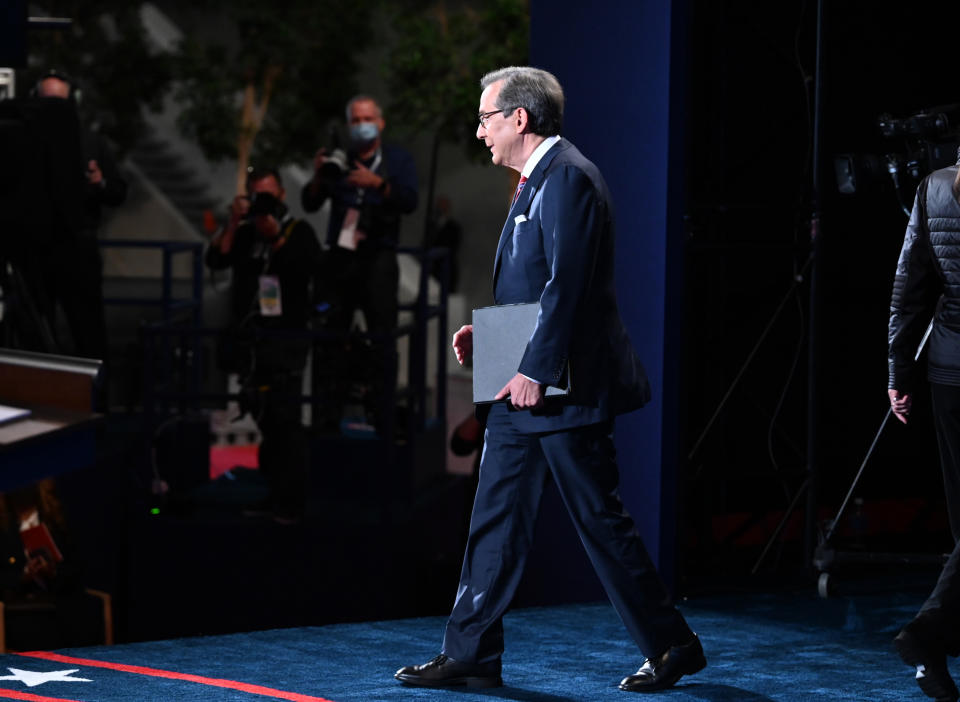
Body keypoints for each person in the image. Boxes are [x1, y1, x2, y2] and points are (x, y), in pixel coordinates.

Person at [395, 66, 706, 692]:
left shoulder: (566, 178)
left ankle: (672, 645)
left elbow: (571, 287)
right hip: (525, 381)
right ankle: (471, 652)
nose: (479, 131)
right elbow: (539, 285)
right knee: (495, 514)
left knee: (599, 519)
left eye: (485, 117)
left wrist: (534, 367)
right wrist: (492, 337)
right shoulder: (537, 180)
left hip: (564, 386)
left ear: (519, 118)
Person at [206, 167, 322, 524]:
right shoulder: (244, 233)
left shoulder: (297, 231)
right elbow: (216, 260)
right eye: (258, 196)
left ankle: (292, 502)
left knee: (285, 421)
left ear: (282, 196)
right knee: (265, 422)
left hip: (285, 340)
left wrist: (275, 240)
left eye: (269, 196)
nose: (264, 203)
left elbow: (306, 269)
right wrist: (232, 221)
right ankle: (273, 495)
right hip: (251, 341)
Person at [888, 153, 960, 702]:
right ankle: (927, 634)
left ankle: (931, 651)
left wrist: (899, 372)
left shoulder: (934, 187)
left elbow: (909, 284)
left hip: (947, 372)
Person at [301, 95, 417, 430]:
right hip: (339, 260)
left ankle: (382, 418)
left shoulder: (396, 160)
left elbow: (409, 200)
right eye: (355, 120)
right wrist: (320, 175)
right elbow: (310, 202)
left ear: (380, 123)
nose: (361, 125)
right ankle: (326, 419)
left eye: (367, 118)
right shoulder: (341, 159)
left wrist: (378, 184)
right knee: (329, 339)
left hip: (378, 259)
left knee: (382, 339)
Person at [32, 69, 126, 361]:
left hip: (78, 248)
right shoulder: (23, 141)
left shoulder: (90, 142)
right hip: (34, 249)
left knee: (88, 332)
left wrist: (99, 183)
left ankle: (95, 401)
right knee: (33, 332)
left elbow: (118, 192)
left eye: (60, 103)